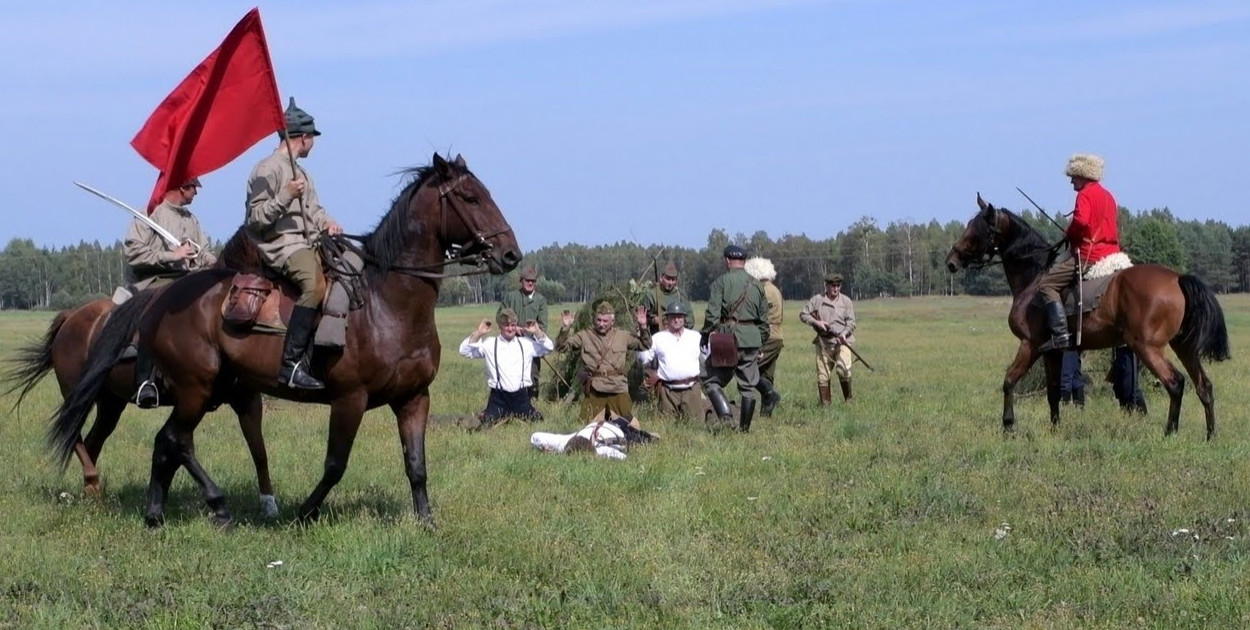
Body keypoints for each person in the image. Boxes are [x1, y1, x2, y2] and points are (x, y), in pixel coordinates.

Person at [244, 98, 344, 390]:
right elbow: (255, 219)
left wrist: (329, 223)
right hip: (282, 245)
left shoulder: (302, 174)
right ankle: (290, 364)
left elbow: (314, 210)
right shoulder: (266, 170)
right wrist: (285, 194)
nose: (314, 143)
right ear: (304, 137)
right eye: (313, 138)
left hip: (310, 241)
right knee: (315, 286)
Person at [123, 176, 218, 408]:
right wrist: (171, 256)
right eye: (194, 187)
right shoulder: (150, 213)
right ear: (182, 186)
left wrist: (216, 263)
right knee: (155, 312)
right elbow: (134, 254)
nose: (196, 192)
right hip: (153, 281)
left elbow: (201, 250)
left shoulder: (191, 220)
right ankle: (145, 382)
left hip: (183, 280)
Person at [1036, 153, 1121, 352]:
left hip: (1090, 255)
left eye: (1074, 176)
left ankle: (1061, 335)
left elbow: (1082, 221)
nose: (1072, 181)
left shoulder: (1084, 194)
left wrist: (1069, 232)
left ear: (1083, 176)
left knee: (1046, 284)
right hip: (1113, 254)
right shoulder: (1108, 195)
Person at [700, 244, 770, 433]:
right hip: (751, 340)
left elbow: (712, 316)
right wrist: (760, 342)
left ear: (727, 261)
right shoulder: (757, 285)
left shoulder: (721, 283)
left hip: (727, 339)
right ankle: (744, 431)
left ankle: (726, 418)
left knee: (708, 378)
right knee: (748, 387)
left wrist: (705, 334)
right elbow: (764, 321)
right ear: (745, 262)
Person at [555, 302, 651, 421]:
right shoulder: (585, 336)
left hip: (618, 388)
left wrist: (643, 327)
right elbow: (561, 348)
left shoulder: (623, 336)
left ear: (612, 322)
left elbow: (645, 345)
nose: (601, 324)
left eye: (605, 321)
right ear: (594, 319)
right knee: (585, 426)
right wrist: (566, 328)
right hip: (596, 389)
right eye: (599, 320)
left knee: (627, 425)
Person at [459, 308, 554, 427]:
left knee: (538, 422)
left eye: (513, 325)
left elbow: (548, 348)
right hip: (499, 398)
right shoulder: (490, 344)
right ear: (500, 326)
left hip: (521, 397)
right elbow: (464, 350)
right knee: (485, 425)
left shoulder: (526, 344)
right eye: (507, 325)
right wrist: (479, 333)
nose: (510, 329)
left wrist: (537, 332)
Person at [636, 302, 703, 422]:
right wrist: (643, 331)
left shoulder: (695, 337)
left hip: (692, 389)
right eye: (673, 317)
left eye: (679, 317)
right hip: (668, 391)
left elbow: (708, 356)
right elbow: (644, 358)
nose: (676, 320)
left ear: (684, 318)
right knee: (667, 425)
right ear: (667, 319)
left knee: (695, 426)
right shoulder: (658, 338)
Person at [799, 272, 856, 405]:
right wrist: (817, 323)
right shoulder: (817, 300)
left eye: (838, 286)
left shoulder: (846, 301)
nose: (835, 289)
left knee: (843, 370)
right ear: (827, 286)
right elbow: (803, 315)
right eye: (832, 286)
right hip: (823, 342)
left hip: (842, 342)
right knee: (823, 376)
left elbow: (852, 322)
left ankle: (849, 401)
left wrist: (844, 333)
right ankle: (826, 406)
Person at [498, 266, 549, 399]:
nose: (530, 283)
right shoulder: (511, 297)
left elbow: (543, 326)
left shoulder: (540, 300)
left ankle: (532, 406)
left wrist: (533, 332)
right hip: (511, 344)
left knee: (532, 377)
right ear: (521, 281)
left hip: (532, 347)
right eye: (527, 280)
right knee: (510, 375)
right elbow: (499, 316)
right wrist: (514, 329)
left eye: (533, 280)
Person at [529, 409, 659, 460]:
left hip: (620, 429)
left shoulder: (601, 450)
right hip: (601, 424)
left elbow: (625, 458)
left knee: (645, 436)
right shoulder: (565, 442)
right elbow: (535, 436)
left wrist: (551, 450)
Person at [745, 256, 783, 417]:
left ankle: (770, 395)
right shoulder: (774, 289)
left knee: (748, 369)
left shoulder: (762, 291)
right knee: (766, 373)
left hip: (767, 336)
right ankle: (766, 414)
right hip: (777, 335)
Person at [640, 261, 694, 334]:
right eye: (668, 279)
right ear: (661, 278)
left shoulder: (680, 294)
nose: (671, 283)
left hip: (678, 335)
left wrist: (677, 323)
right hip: (657, 336)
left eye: (673, 279)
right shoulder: (651, 295)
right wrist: (654, 320)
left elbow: (690, 320)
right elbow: (641, 318)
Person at [1109, 346, 1148, 414]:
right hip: (1120, 348)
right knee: (1121, 387)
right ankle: (1126, 415)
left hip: (1130, 348)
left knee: (1129, 388)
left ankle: (1141, 415)